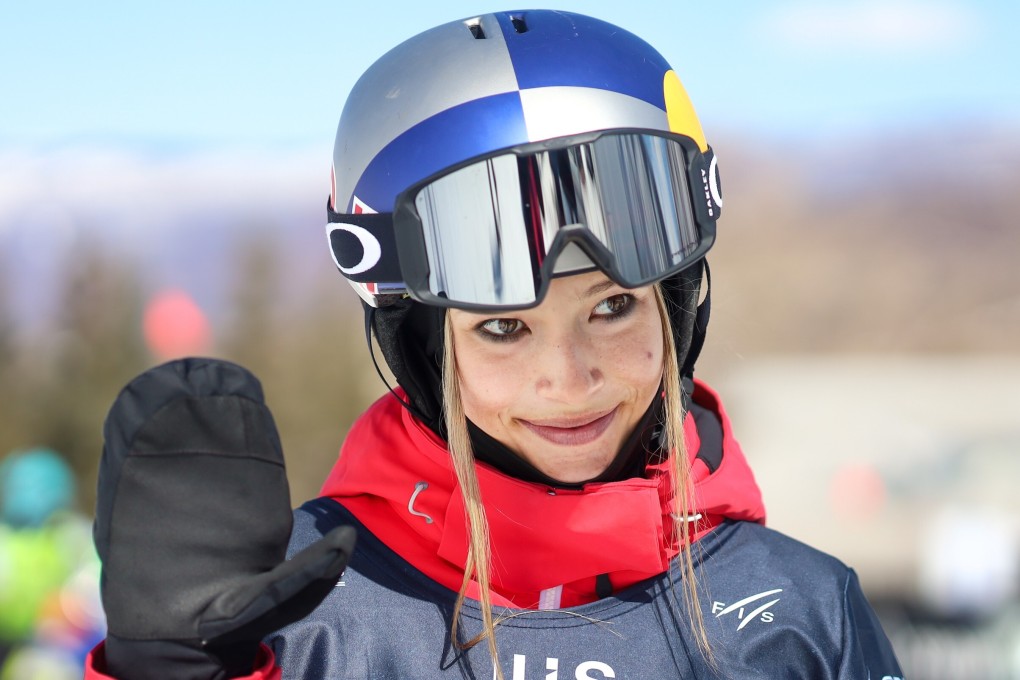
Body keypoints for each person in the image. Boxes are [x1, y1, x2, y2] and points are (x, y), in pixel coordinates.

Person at [84, 9, 904, 679]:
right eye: (503, 327)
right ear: (423, 349)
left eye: (613, 307)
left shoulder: (800, 608)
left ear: (677, 311)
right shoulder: (291, 608)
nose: (569, 378)